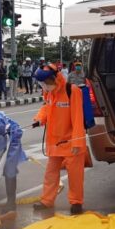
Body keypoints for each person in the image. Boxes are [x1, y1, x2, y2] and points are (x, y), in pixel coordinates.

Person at [31, 63, 86, 214]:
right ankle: (46, 200)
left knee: (75, 175)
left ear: (54, 78)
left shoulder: (72, 91)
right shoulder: (49, 92)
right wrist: (39, 119)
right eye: (41, 84)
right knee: (51, 173)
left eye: (45, 83)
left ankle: (76, 202)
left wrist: (77, 141)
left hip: (71, 141)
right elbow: (46, 108)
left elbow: (78, 118)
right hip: (55, 141)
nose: (44, 86)